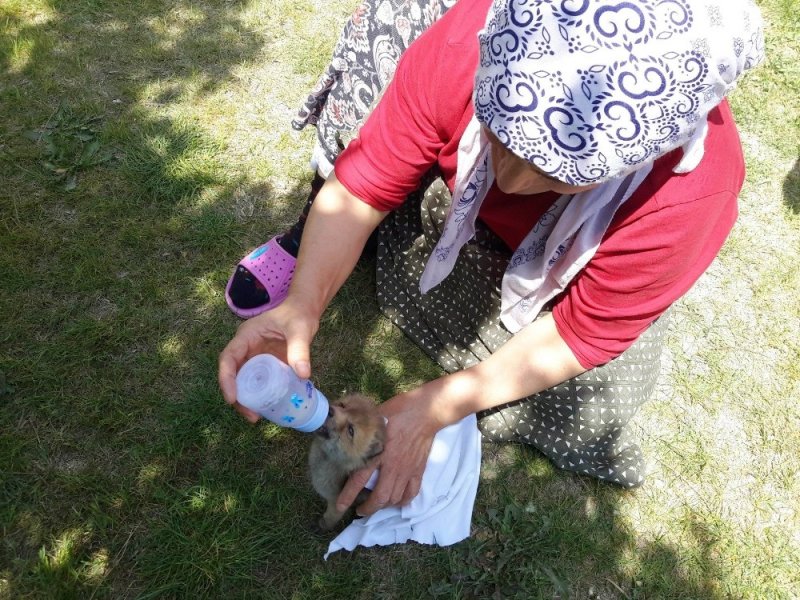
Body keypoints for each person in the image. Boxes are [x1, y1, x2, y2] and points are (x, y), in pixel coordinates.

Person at [218, 0, 765, 518]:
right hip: (454, 202)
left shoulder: (690, 196)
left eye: (561, 174)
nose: (511, 179)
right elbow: (365, 182)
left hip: (557, 271)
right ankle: (309, 241)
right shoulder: (465, 39)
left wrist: (440, 403)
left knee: (594, 403)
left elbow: (585, 331)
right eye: (498, 131)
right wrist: (303, 304)